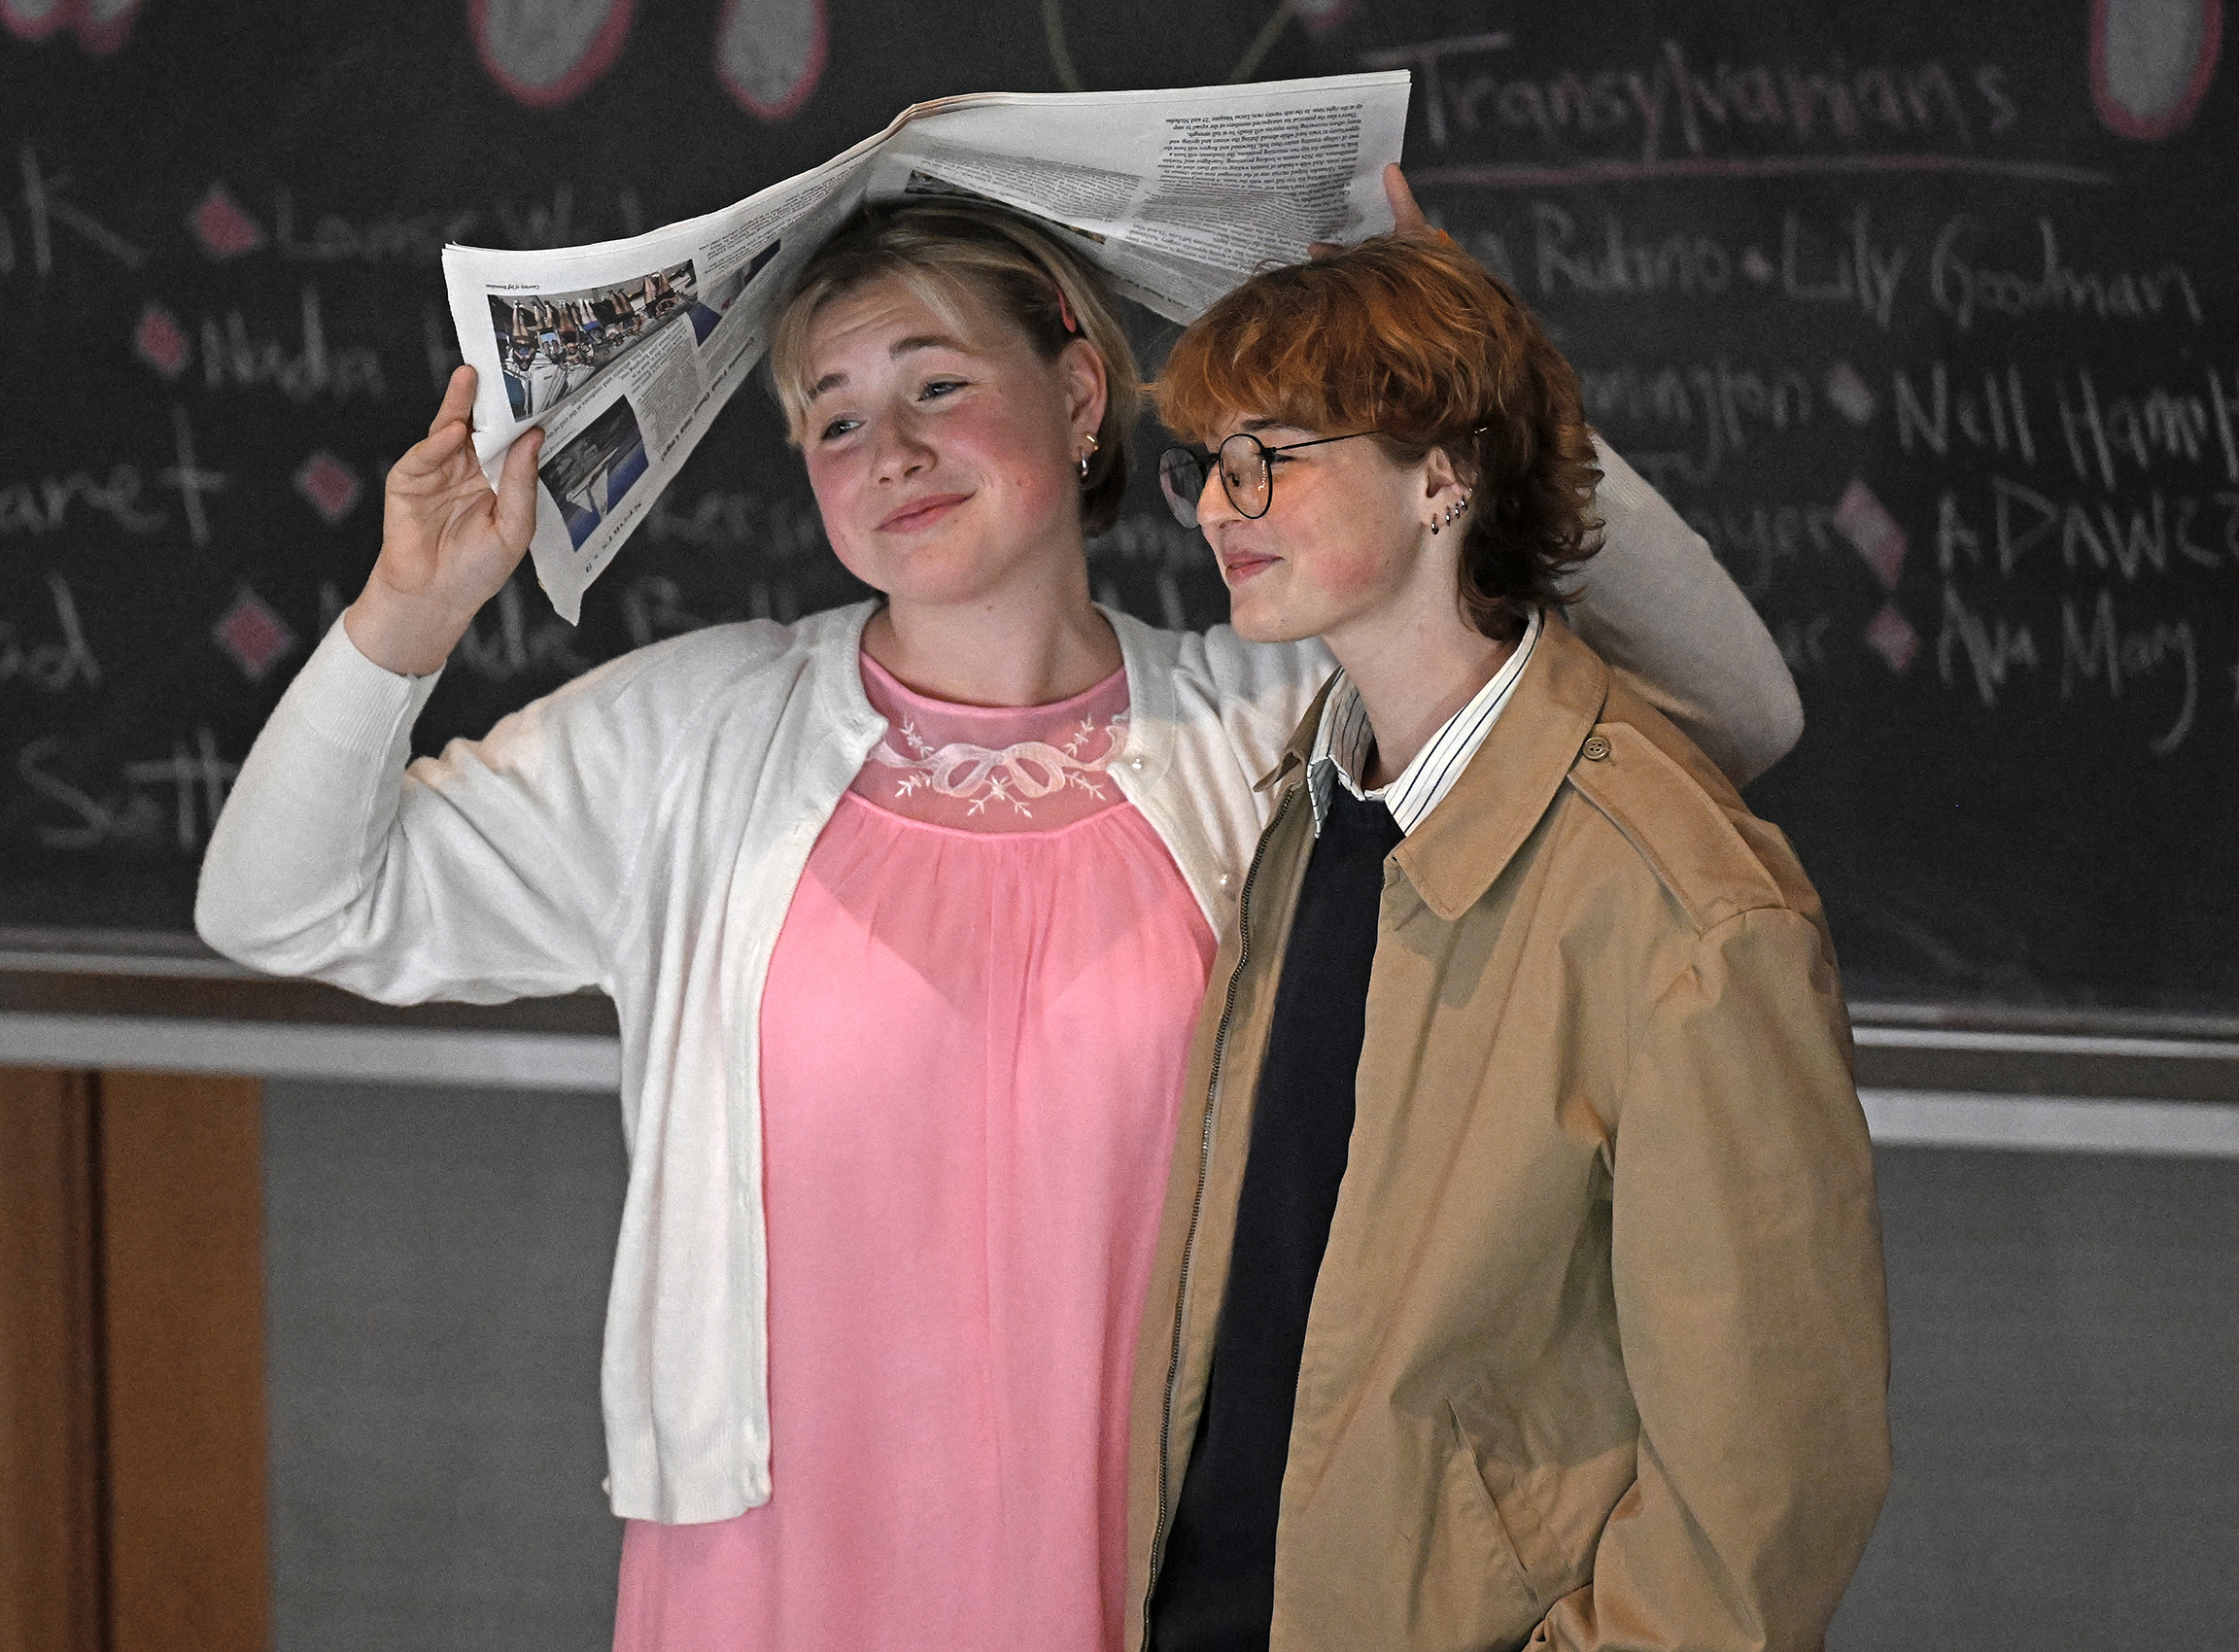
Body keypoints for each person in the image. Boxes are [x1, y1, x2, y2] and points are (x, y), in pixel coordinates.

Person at [195, 194, 1800, 1649]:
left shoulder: (1272, 725)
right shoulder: (690, 743)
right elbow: (280, 905)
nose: (886, 448)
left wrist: (1475, 384)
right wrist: (406, 615)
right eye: (833, 419)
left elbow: (1724, 710)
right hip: (777, 1575)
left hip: (1164, 1560)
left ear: (1083, 395)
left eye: (937, 385)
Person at [1125, 233, 1888, 1652]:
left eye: (1273, 454)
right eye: (1206, 463)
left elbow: (1767, 1489)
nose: (1220, 506)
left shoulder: (1687, 905)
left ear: (1443, 475)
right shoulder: (1305, 817)